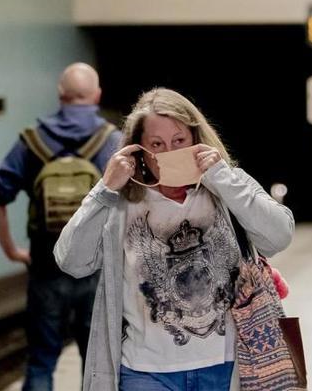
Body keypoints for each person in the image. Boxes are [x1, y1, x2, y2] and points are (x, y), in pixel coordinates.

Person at [53, 87, 295, 391]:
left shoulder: (226, 186)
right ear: (138, 150)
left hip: (226, 367)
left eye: (179, 141)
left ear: (196, 139)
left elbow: (279, 236)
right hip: (146, 372)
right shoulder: (121, 203)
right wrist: (104, 190)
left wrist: (222, 177)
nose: (169, 153)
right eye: (157, 144)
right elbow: (71, 261)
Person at [0, 62, 122, 391]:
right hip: (97, 269)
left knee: (42, 359)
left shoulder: (32, 140)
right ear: (97, 95)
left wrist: (11, 250)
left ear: (60, 95)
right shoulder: (112, 140)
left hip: (46, 265)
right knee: (99, 363)